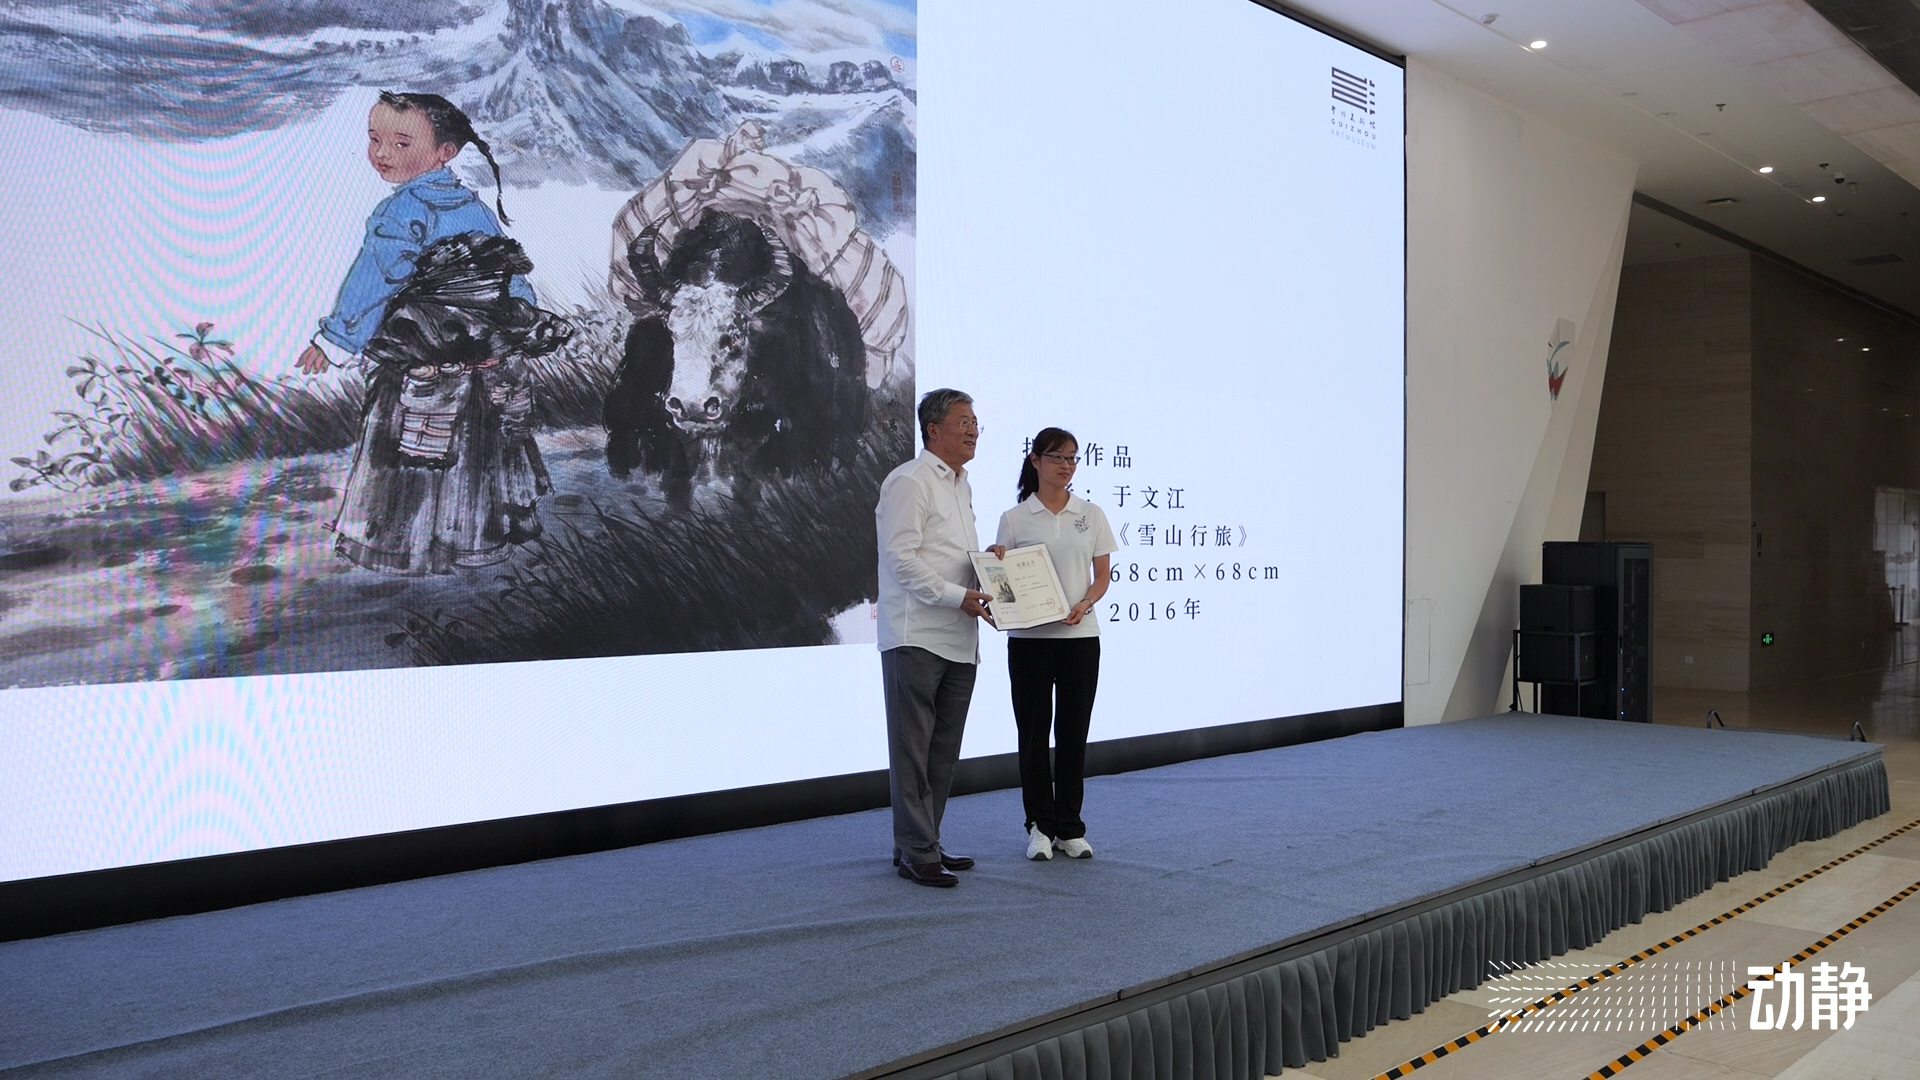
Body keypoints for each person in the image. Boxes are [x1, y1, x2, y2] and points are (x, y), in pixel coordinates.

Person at [296, 91, 567, 574]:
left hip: (422, 354)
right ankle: (474, 541)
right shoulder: (475, 207)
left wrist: (334, 339)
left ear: (446, 152)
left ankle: (405, 546)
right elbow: (509, 277)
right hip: (480, 358)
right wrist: (516, 322)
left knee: (411, 446)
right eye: (374, 139)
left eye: (402, 143)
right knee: (475, 447)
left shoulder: (399, 211)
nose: (382, 153)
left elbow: (374, 280)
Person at [876, 389, 1001, 887]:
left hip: (959, 636)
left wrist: (989, 563)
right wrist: (957, 595)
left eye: (976, 422)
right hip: (917, 635)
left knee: (942, 751)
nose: (973, 430)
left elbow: (949, 556)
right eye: (963, 421)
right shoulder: (910, 480)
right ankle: (917, 851)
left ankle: (923, 840)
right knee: (912, 750)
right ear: (933, 429)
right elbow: (901, 560)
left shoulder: (961, 485)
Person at [995, 428, 1115, 861]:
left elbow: (1102, 575)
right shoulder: (1015, 518)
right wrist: (995, 564)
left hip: (1080, 638)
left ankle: (1070, 827)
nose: (1066, 466)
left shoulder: (1091, 513)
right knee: (1032, 735)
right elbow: (1002, 580)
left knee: (1073, 733)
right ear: (1035, 461)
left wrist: (1085, 603)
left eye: (1072, 458)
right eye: (1057, 457)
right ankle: (1039, 827)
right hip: (1029, 641)